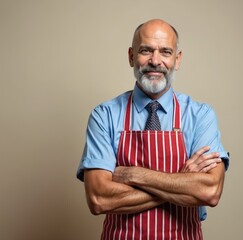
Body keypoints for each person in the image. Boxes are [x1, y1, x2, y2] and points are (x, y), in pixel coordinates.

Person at [77, 19, 229, 240]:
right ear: (131, 56)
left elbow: (210, 191)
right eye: (146, 50)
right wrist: (181, 181)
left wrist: (133, 174)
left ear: (177, 60)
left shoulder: (200, 116)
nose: (155, 61)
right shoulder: (105, 115)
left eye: (165, 52)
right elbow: (99, 199)